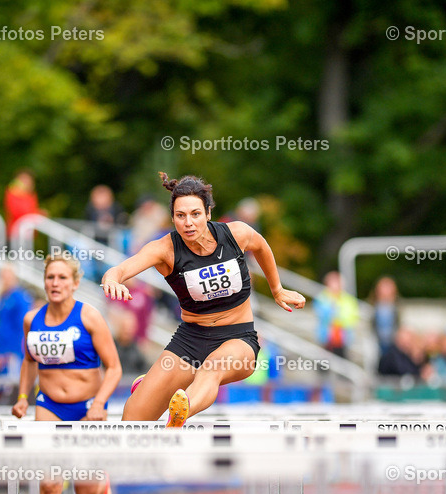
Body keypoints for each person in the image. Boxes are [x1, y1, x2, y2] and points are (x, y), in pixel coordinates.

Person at [101, 172, 305, 426]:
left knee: (211, 368)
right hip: (190, 340)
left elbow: (261, 246)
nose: (188, 223)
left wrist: (277, 289)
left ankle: (179, 413)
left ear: (208, 213)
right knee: (133, 417)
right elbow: (120, 269)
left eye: (195, 214)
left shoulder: (236, 234)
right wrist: (111, 280)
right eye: (180, 216)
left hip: (237, 338)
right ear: (173, 217)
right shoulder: (164, 249)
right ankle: (155, 389)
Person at [11, 253, 121, 494]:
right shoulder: (33, 319)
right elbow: (29, 362)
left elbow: (114, 367)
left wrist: (100, 403)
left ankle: (99, 482)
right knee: (49, 485)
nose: (55, 284)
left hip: (87, 408)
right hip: (49, 407)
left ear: (74, 283)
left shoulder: (89, 317)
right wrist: (22, 397)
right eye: (50, 278)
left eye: (61, 278)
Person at [314, 270, 359, 357]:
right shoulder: (321, 298)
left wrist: (336, 316)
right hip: (326, 337)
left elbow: (351, 318)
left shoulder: (348, 300)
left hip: (343, 337)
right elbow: (322, 316)